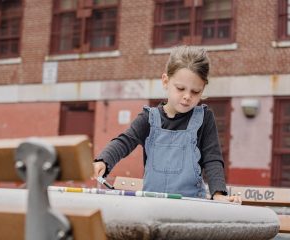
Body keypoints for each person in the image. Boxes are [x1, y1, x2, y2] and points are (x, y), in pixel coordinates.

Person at [93, 45, 240, 203]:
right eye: (180, 88)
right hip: (151, 204)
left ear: (203, 89)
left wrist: (218, 194)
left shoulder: (204, 118)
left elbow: (212, 159)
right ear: (165, 81)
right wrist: (104, 160)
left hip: (192, 205)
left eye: (195, 92)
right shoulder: (148, 118)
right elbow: (125, 140)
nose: (187, 97)